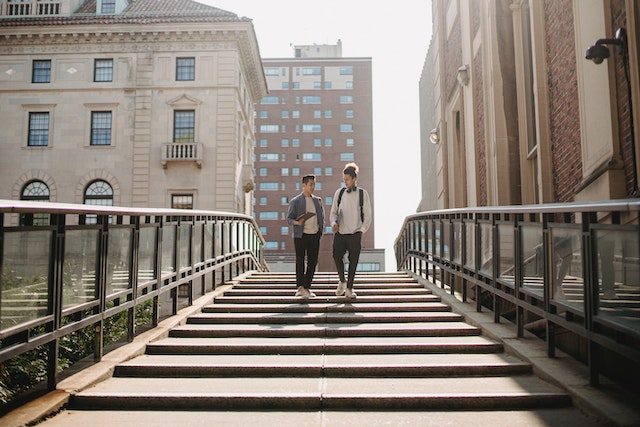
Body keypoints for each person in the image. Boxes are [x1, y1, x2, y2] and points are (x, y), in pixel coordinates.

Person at [330, 162, 372, 299]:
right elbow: (333, 212)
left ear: (354, 179)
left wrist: (362, 230)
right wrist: (333, 223)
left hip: (355, 233)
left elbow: (368, 215)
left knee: (353, 261)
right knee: (336, 256)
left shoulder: (362, 194)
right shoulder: (339, 193)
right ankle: (342, 281)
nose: (345, 182)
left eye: (347, 179)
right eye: (344, 179)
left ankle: (349, 288)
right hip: (340, 233)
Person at [286, 174, 325, 298]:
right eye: (310, 184)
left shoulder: (317, 201)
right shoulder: (296, 201)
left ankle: (307, 287)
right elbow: (289, 219)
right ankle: (300, 287)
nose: (313, 187)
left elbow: (321, 217)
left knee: (313, 262)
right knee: (300, 261)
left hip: (314, 235)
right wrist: (296, 222)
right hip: (300, 235)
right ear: (304, 185)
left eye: (314, 184)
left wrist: (320, 231)